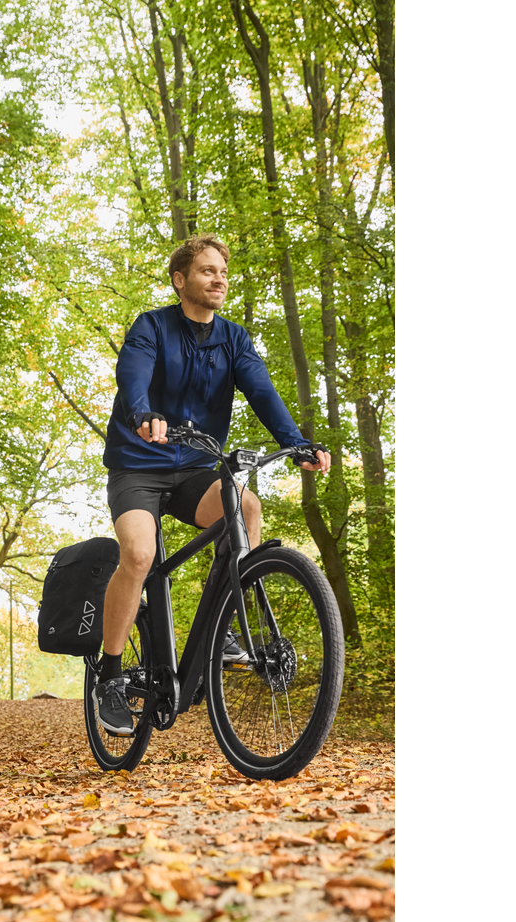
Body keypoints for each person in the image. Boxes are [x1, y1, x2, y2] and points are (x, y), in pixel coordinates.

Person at [93, 234, 332, 735]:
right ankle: (109, 676)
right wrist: (142, 413)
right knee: (139, 555)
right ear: (180, 280)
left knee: (244, 510)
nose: (218, 278)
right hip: (139, 463)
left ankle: (224, 622)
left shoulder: (235, 339)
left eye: (222, 271)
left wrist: (297, 441)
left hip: (195, 466)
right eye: (206, 271)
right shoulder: (151, 327)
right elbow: (132, 374)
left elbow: (262, 391)